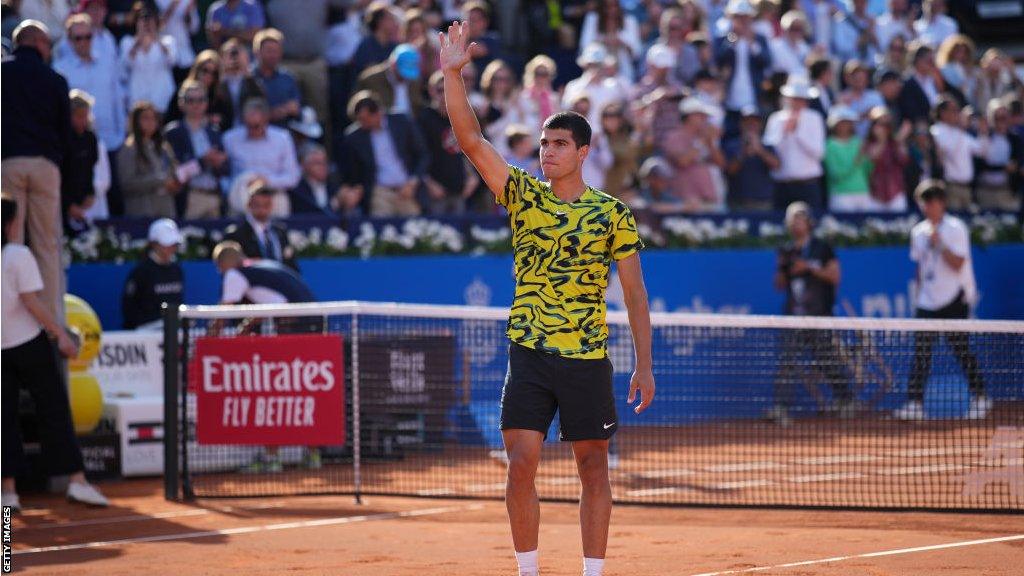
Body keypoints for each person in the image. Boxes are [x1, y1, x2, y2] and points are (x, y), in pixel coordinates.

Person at [440, 21, 654, 576]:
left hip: (586, 357)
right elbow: (470, 140)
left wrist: (645, 366)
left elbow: (634, 293)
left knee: (593, 468)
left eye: (560, 144)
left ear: (582, 153)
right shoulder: (522, 194)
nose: (548, 151)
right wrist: (451, 75)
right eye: (543, 143)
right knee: (521, 464)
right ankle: (528, 570)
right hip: (529, 351)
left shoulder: (612, 213)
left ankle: (592, 573)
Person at [2, 197, 109, 513]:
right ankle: (77, 481)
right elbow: (32, 303)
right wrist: (61, 335)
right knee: (54, 411)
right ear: (11, 224)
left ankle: (8, 493)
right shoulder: (18, 255)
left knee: (3, 419)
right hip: (29, 345)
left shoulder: (17, 254)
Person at [210, 240, 321, 473]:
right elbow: (273, 302)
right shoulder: (265, 266)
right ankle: (313, 456)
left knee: (274, 389)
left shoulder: (234, 274)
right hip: (316, 324)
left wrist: (209, 342)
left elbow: (222, 312)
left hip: (293, 328)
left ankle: (272, 459)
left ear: (221, 265)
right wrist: (247, 327)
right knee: (306, 390)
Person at [894, 180, 988, 421]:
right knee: (921, 353)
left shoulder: (956, 228)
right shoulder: (918, 232)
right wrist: (919, 295)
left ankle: (981, 397)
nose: (927, 207)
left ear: (942, 203)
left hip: (953, 298)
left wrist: (940, 244)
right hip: (927, 300)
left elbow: (958, 263)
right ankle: (915, 403)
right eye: (924, 203)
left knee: (962, 351)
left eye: (932, 202)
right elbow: (920, 267)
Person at [2, 20, 70, 320]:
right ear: (39, 43)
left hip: (9, 164)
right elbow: (65, 131)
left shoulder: (2, 75)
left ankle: (8, 314)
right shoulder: (54, 79)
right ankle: (52, 318)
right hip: (45, 165)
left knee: (10, 242)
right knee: (47, 245)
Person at [769, 201, 851, 426]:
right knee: (787, 362)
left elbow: (835, 277)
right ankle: (781, 409)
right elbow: (778, 284)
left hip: (819, 315)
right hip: (793, 317)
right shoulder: (786, 250)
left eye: (800, 218)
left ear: (809, 222)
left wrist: (809, 268)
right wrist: (785, 269)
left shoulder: (822, 248)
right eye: (792, 219)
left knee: (828, 361)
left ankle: (846, 401)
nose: (796, 223)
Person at [54, 13, 126, 215]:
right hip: (76, 144)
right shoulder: (60, 70)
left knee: (112, 194)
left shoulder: (108, 63)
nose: (84, 42)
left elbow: (117, 100)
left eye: (88, 36)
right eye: (78, 38)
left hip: (110, 139)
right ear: (69, 41)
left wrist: (121, 134)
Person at [339, 90, 430, 217]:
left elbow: (422, 155)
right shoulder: (354, 137)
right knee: (381, 229)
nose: (361, 123)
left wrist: (413, 182)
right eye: (359, 119)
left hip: (407, 190)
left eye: (365, 119)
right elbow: (353, 171)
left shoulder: (402, 122)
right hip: (379, 193)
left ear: (377, 113)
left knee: (416, 229)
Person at [222, 97, 301, 216]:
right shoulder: (229, 138)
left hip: (274, 198)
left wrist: (266, 181)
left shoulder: (282, 138)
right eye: (248, 125)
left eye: (256, 126)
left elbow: (292, 177)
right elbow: (223, 176)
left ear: (266, 120)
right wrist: (239, 185)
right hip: (240, 199)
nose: (252, 130)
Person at [417, 71, 481, 214]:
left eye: (448, 90)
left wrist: (473, 177)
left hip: (460, 189)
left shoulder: (465, 116)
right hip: (435, 190)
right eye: (440, 90)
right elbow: (418, 154)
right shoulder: (425, 118)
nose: (444, 95)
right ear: (431, 92)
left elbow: (473, 148)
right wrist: (428, 183)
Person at [164, 80, 229, 219]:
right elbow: (177, 173)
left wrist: (219, 164)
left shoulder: (214, 131)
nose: (196, 104)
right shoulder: (174, 132)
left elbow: (225, 169)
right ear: (181, 103)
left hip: (214, 196)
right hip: (190, 197)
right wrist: (204, 161)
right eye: (190, 100)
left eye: (201, 99)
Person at [764, 76, 826, 209]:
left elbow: (819, 153)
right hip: (782, 184)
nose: (798, 102)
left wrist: (797, 133)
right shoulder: (775, 119)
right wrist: (784, 133)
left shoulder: (815, 119)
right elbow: (770, 153)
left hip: (808, 184)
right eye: (795, 98)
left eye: (802, 99)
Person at [118, 101, 181, 218]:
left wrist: (175, 182)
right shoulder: (129, 149)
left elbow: (173, 173)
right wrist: (158, 180)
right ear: (135, 121)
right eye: (145, 118)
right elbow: (126, 184)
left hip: (166, 212)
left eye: (153, 118)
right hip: (142, 213)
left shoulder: (164, 148)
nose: (150, 122)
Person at [122, 218, 184, 330]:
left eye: (174, 244)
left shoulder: (177, 270)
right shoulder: (141, 272)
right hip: (145, 332)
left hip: (173, 329)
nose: (171, 248)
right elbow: (129, 308)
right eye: (167, 244)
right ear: (154, 244)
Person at [930, 96, 989, 210]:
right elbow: (951, 152)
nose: (958, 114)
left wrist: (983, 132)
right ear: (942, 113)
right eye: (954, 110)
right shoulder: (936, 131)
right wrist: (962, 127)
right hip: (951, 188)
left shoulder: (959, 132)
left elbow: (982, 151)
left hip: (967, 188)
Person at [119, 3, 177, 114]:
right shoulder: (127, 42)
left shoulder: (168, 41)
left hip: (162, 99)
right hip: (137, 100)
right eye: (143, 19)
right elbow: (125, 66)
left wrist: (156, 38)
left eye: (150, 19)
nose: (147, 23)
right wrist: (138, 42)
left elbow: (171, 61)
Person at [224, 183, 298, 271]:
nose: (262, 210)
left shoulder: (280, 231)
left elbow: (291, 265)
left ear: (271, 205)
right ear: (249, 205)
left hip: (279, 282)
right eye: (257, 205)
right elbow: (230, 266)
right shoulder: (236, 234)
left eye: (266, 205)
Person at [723, 105, 779, 211]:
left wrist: (760, 150)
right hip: (737, 202)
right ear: (741, 124)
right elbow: (730, 170)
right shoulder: (732, 145)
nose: (751, 125)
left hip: (763, 201)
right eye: (747, 121)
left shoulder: (767, 145)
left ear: (760, 124)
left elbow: (776, 166)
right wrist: (743, 152)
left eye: (755, 122)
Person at [289, 145, 364, 218]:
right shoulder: (297, 191)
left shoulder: (334, 187)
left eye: (325, 162)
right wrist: (335, 203)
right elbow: (310, 216)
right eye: (318, 163)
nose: (323, 167)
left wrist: (348, 205)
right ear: (304, 165)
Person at [824, 106, 873, 212]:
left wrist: (868, 157)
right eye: (843, 122)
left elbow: (868, 169)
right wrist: (857, 160)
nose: (845, 126)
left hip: (862, 192)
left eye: (848, 122)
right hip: (840, 194)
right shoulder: (829, 145)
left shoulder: (858, 143)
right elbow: (836, 175)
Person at [356, 43, 424, 117]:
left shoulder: (415, 80)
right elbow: (355, 110)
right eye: (402, 73)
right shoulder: (370, 80)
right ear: (393, 65)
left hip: (411, 125)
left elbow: (418, 105)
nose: (406, 78)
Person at [252, 28, 302, 127]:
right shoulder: (249, 79)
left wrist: (286, 110)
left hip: (286, 132)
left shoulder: (288, 78)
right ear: (257, 52)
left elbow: (296, 108)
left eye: (276, 51)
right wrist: (274, 113)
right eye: (269, 51)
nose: (273, 55)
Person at [864, 106, 911, 211]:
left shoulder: (896, 143)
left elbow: (904, 159)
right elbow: (873, 159)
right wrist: (882, 140)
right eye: (880, 124)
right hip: (875, 194)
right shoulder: (867, 144)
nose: (884, 128)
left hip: (896, 192)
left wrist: (900, 141)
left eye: (887, 125)